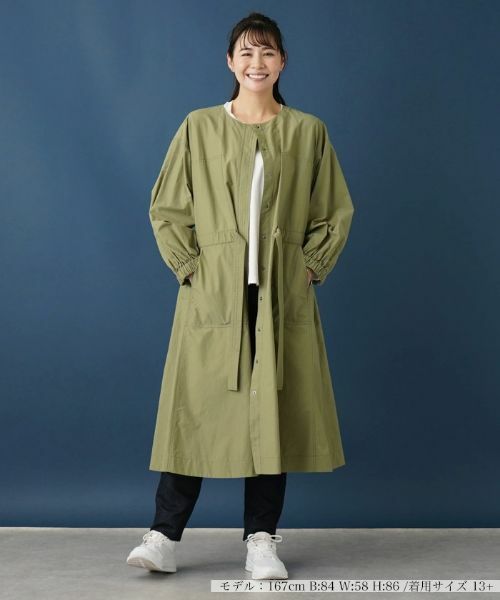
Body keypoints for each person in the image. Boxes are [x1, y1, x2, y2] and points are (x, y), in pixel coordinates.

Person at [127, 11, 354, 580]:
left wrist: (309, 267)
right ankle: (163, 536)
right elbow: (167, 208)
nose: (257, 63)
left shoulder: (307, 131)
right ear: (230, 62)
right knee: (194, 410)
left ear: (283, 63)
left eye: (268, 52)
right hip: (214, 297)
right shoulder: (199, 126)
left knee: (271, 416)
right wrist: (191, 269)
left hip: (279, 296)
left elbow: (334, 210)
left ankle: (261, 540)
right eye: (246, 53)